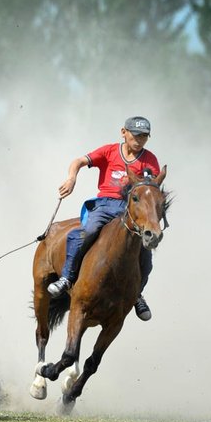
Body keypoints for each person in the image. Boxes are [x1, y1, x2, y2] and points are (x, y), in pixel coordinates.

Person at [46, 116, 160, 321]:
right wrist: (71, 178)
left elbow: (150, 190)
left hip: (129, 211)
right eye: (136, 135)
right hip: (104, 204)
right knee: (87, 232)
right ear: (123, 132)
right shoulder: (109, 151)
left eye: (144, 136)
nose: (140, 140)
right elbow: (79, 161)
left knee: (146, 255)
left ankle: (136, 295)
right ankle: (66, 278)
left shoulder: (150, 160)